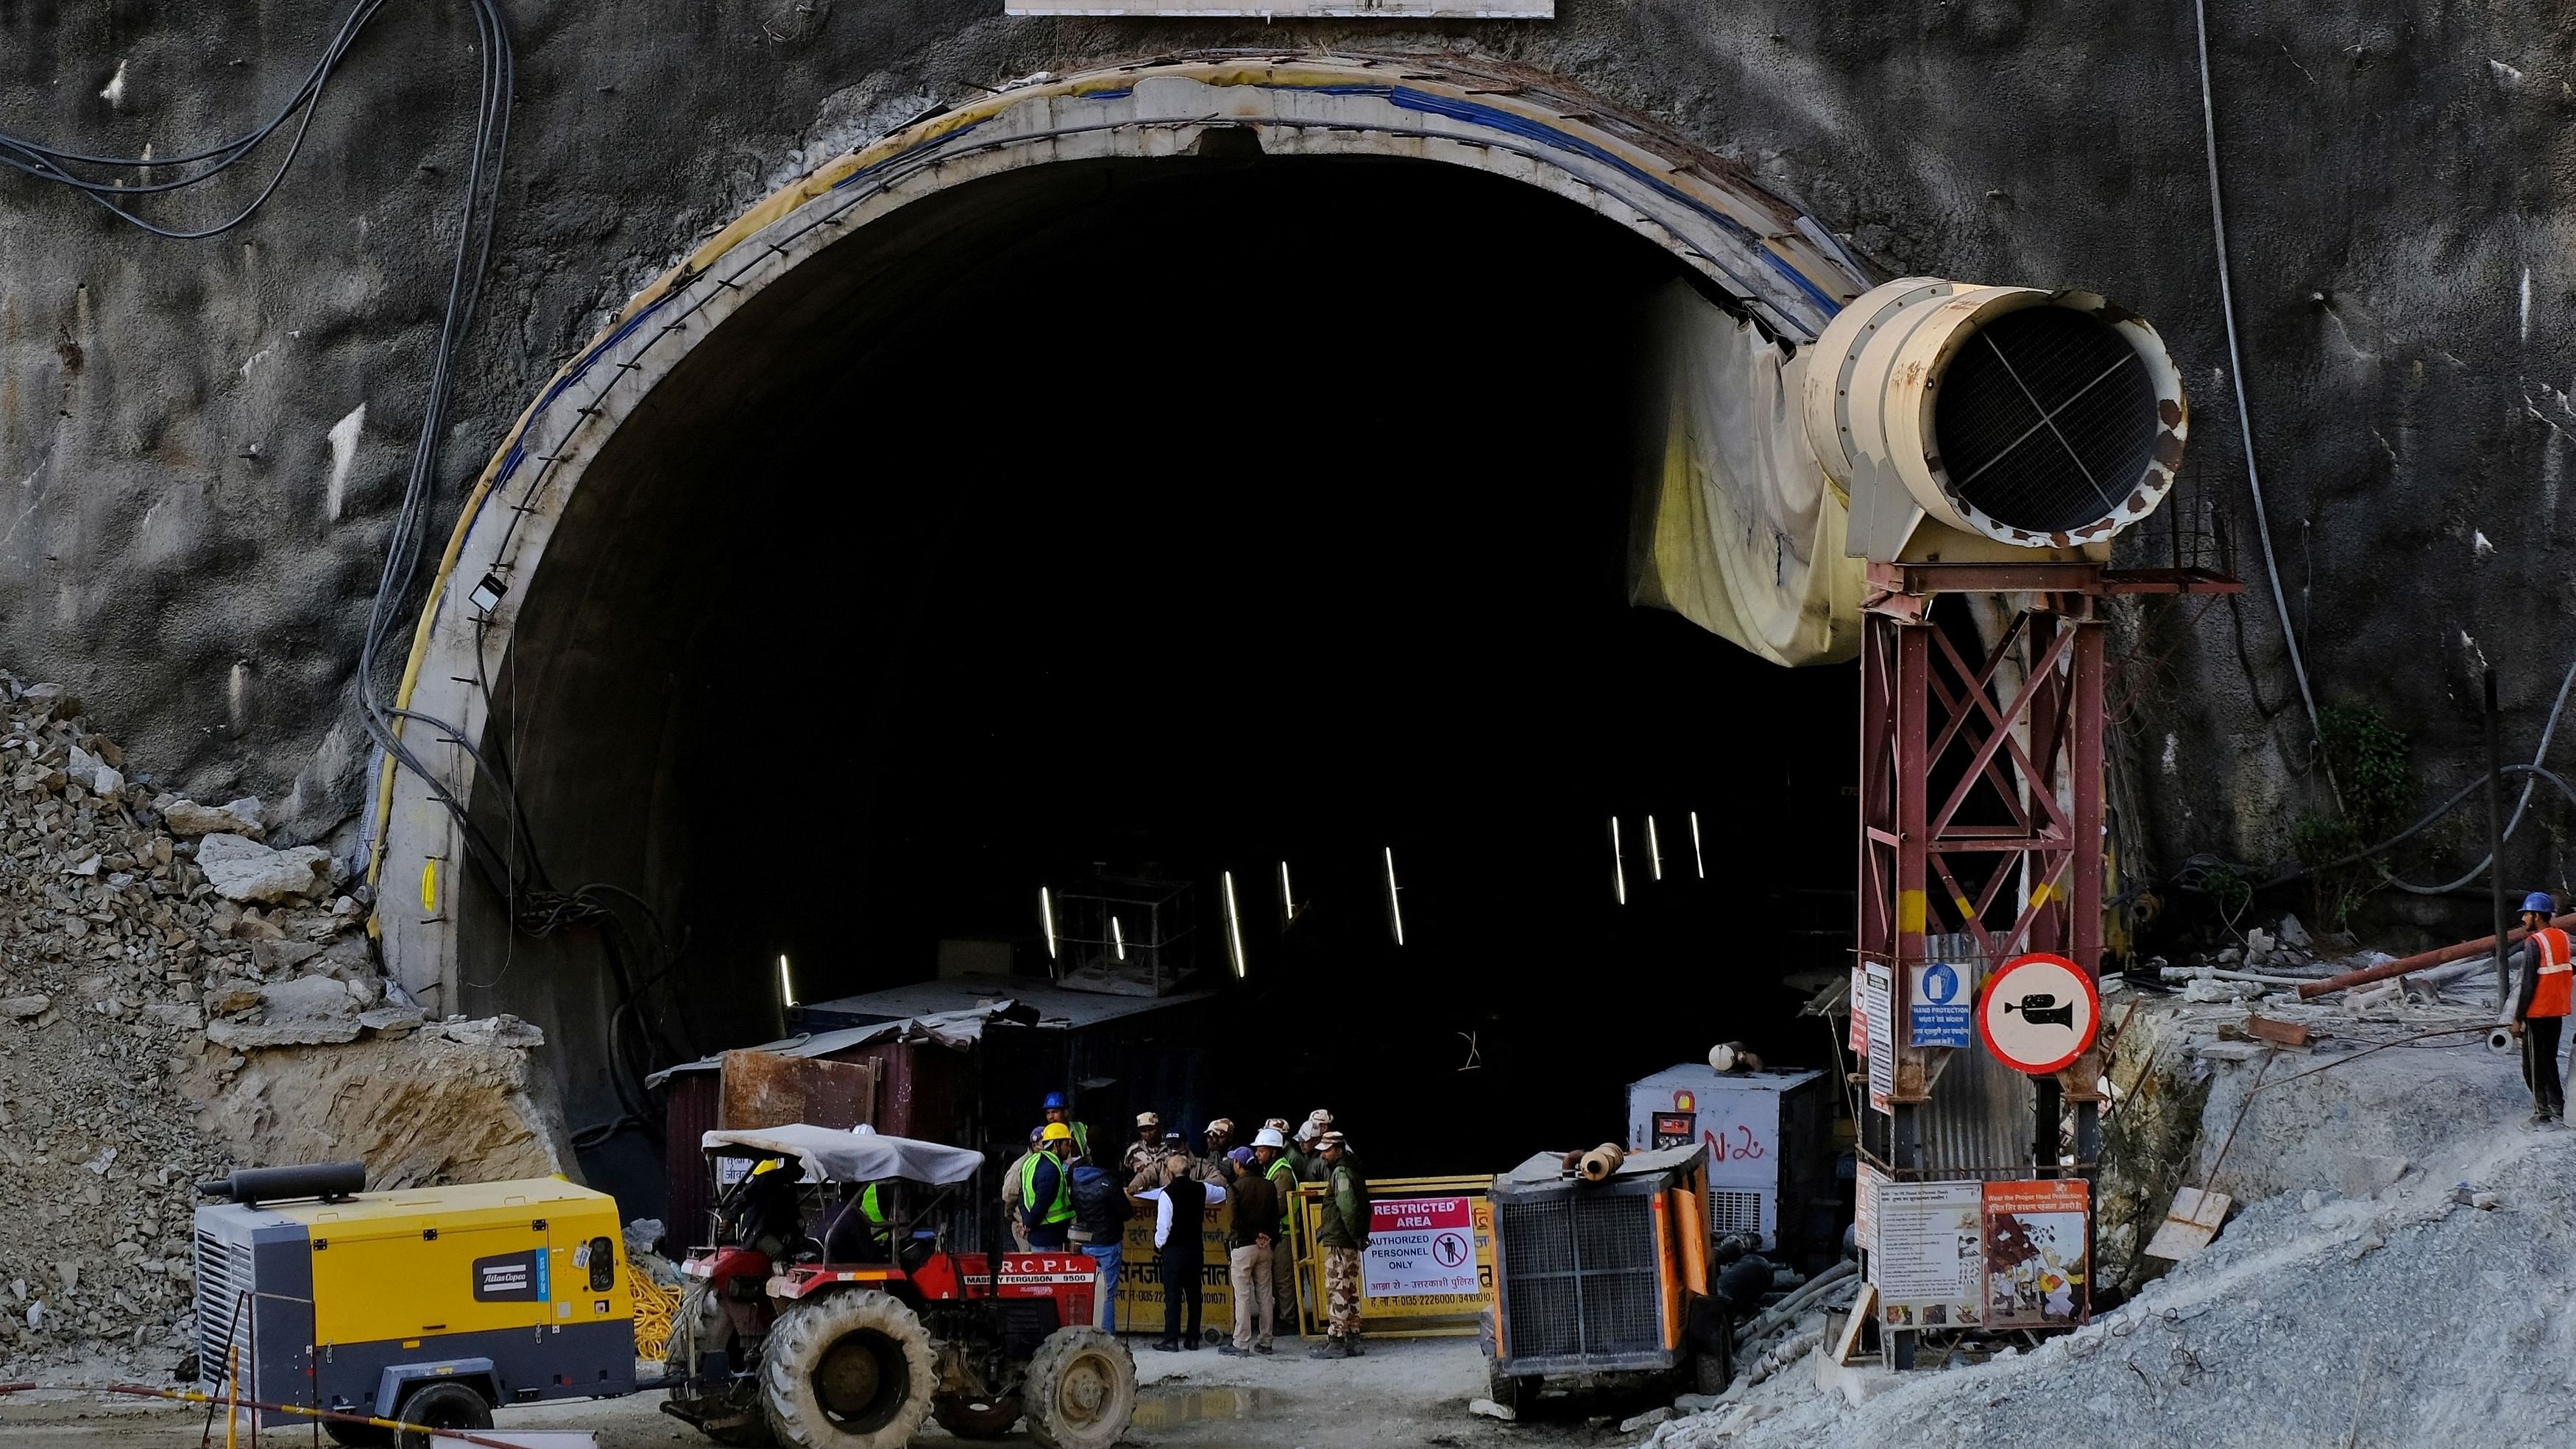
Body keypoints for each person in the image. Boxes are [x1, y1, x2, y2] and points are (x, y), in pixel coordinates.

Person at [1136, 1152, 1225, 1352]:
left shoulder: (1167, 1193)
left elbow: (1164, 1226)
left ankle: (1171, 1340)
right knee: (1195, 1295)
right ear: (1189, 1170)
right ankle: (1192, 1339)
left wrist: (1159, 1244)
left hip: (1174, 1251)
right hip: (1195, 1249)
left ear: (1169, 1172)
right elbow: (1222, 1193)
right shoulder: (1201, 1189)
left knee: (1173, 1297)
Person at [2502, 891, 2571, 1125]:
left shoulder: (2534, 944)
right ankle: (2558, 1106)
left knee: (2533, 1066)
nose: (2523, 920)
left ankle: (2542, 1114)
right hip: (2556, 1012)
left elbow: (2529, 984)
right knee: (2550, 1060)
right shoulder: (2562, 937)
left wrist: (2517, 1018)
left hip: (2537, 1012)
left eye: (2526, 915)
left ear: (2537, 916)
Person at [1308, 1130, 1369, 1358]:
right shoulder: (1352, 1169)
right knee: (1351, 1290)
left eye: (1328, 1150)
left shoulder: (1341, 1173)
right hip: (1349, 1240)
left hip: (1341, 1242)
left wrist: (1354, 1235)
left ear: (1339, 1150)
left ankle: (1336, 1342)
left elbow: (1348, 1207)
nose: (1324, 1156)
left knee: (1337, 1289)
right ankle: (1353, 1339)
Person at [1220, 1147, 1278, 1356]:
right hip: (1265, 1247)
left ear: (1238, 1165)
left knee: (1243, 1297)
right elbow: (1275, 1217)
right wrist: (1267, 1238)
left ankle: (1241, 1343)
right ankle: (1266, 1341)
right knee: (1265, 1296)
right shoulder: (1269, 1186)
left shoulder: (1234, 1189)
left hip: (1243, 1247)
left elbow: (1235, 1221)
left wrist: (1253, 1236)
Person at [1068, 1158, 1133, 1331]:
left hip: (1084, 1241)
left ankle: (1084, 1333)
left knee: (1085, 1292)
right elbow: (1127, 1213)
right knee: (1107, 1295)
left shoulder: (1075, 1180)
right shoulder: (1109, 1183)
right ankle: (1106, 1339)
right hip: (1107, 1243)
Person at [1254, 1125, 1301, 1329]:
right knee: (1277, 1278)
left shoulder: (1281, 1173)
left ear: (1273, 1151)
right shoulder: (1273, 1170)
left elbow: (1279, 1206)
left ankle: (1289, 1319)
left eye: (1262, 1150)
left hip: (1285, 1233)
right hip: (1278, 1233)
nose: (1257, 1154)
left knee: (1284, 1279)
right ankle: (1284, 1314)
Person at [1022, 1122, 1080, 1249]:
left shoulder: (1032, 1161)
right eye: (1066, 1144)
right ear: (1056, 1144)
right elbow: (1042, 1202)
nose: (1069, 1149)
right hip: (1047, 1238)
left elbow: (1024, 1195)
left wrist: (1027, 1221)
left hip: (1040, 1235)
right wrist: (1030, 1223)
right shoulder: (1051, 1169)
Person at [999, 1126, 1044, 1251]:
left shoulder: (1052, 1163)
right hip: (1024, 1228)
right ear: (1035, 1146)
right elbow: (1008, 1198)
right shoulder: (1019, 1168)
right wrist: (1018, 1218)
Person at [1042, 1091, 1093, 1163]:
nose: (1050, 1117)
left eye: (1054, 1112)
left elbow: (1090, 1152)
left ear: (1065, 1113)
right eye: (1048, 1113)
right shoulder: (1046, 1134)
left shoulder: (1080, 1127)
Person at [1122, 1112, 1164, 1177]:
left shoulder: (1171, 1147)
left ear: (1158, 1127)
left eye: (1151, 1130)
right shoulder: (1133, 1150)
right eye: (1144, 1131)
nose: (1148, 1134)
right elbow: (1126, 1173)